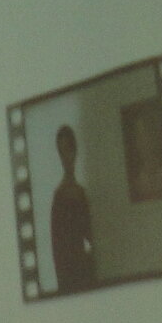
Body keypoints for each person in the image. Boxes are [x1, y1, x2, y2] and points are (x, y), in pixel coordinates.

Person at [49, 122, 96, 293]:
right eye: (61, 152)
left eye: (68, 150)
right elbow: (56, 248)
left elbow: (91, 235)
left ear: (75, 151)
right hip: (67, 275)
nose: (66, 157)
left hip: (86, 270)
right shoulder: (59, 196)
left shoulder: (82, 193)